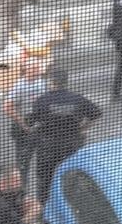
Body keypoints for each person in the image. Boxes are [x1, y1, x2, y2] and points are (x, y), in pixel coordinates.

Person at [29, 68, 103, 206]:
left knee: (45, 178)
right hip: (72, 143)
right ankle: (73, 205)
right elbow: (96, 114)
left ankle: (44, 208)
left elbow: (33, 121)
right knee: (72, 175)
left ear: (52, 82)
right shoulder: (77, 99)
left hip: (48, 145)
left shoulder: (42, 100)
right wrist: (82, 128)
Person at [3, 58, 48, 189]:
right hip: (24, 126)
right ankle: (22, 190)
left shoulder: (42, 82)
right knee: (23, 161)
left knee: (43, 157)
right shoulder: (19, 86)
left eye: (38, 67)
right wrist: (23, 124)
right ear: (26, 70)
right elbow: (7, 107)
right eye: (34, 68)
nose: (38, 70)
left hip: (39, 124)